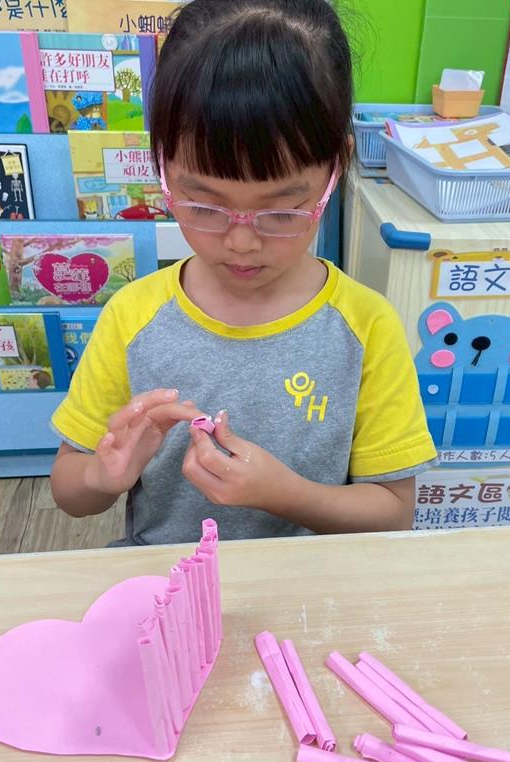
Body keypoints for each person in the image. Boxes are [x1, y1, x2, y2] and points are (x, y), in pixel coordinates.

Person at [50, 0, 436, 545]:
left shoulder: (365, 326)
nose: (241, 242)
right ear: (161, 166)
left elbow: (395, 513)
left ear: (337, 168)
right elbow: (69, 491)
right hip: (170, 581)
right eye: (204, 206)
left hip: (310, 586)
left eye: (282, 211)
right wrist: (102, 475)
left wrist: (287, 494)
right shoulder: (133, 317)